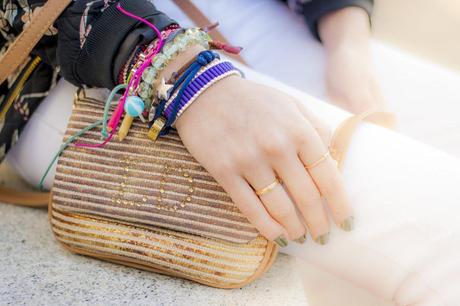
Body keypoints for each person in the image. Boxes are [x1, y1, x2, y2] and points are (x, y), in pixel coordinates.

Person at [2, 1, 460, 305]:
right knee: (447, 232)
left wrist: (347, 36)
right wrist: (185, 80)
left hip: (247, 11)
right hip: (63, 56)